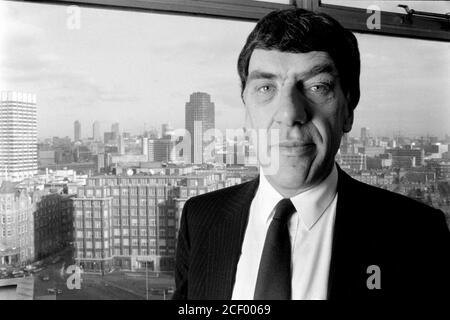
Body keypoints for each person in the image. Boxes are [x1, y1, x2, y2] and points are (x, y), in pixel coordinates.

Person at [173, 8, 450, 300]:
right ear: (246, 112)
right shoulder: (201, 217)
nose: (290, 112)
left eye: (318, 86)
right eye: (266, 87)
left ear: (348, 110)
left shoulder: (417, 235)